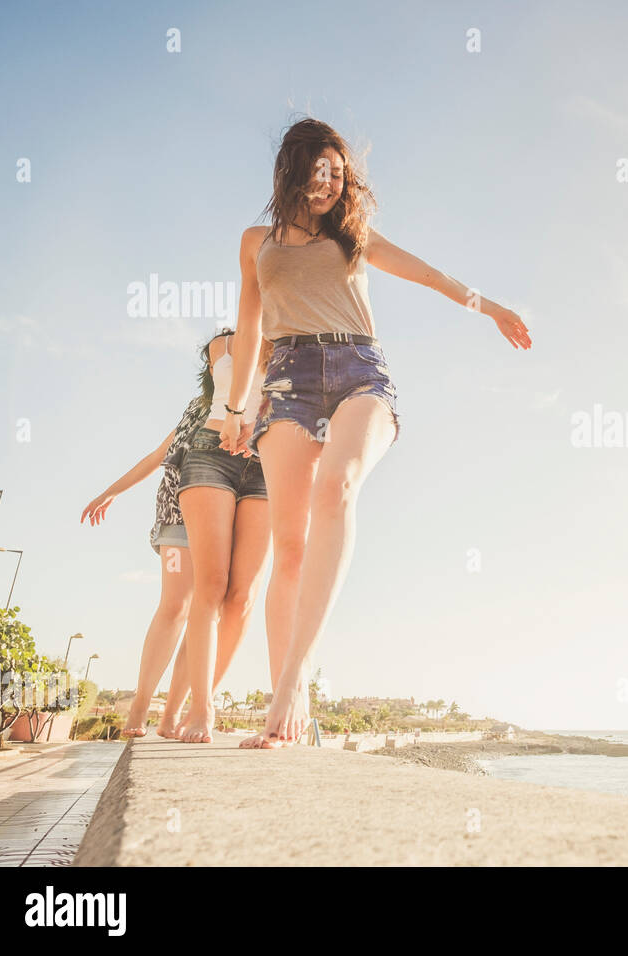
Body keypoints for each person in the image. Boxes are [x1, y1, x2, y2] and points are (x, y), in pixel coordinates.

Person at [219, 118, 531, 749]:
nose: (329, 182)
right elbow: (249, 330)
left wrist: (492, 306)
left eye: (338, 172)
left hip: (359, 369)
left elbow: (431, 275)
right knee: (291, 547)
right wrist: (234, 407)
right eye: (319, 170)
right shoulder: (257, 241)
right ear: (294, 172)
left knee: (336, 489)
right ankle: (293, 692)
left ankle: (287, 691)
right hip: (286, 379)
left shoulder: (355, 237)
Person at [79, 331, 266, 738]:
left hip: (228, 510)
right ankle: (138, 710)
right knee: (176, 603)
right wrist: (111, 492)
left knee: (213, 601)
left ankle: (173, 715)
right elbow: (156, 455)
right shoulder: (200, 408)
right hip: (177, 514)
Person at [174, 329, 273, 743]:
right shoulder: (226, 343)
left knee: (243, 596)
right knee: (211, 585)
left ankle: (203, 697)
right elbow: (242, 385)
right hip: (214, 449)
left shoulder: (299, 338)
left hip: (267, 461)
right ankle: (201, 710)